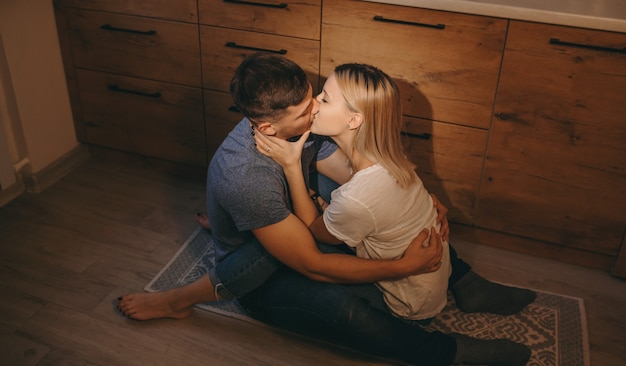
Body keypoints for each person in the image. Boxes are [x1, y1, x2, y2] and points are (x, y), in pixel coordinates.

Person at [118, 52, 535, 365]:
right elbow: (314, 263)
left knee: (381, 216)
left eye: (315, 97)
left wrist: (412, 196)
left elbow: (353, 174)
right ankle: (446, 353)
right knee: (342, 305)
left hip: (288, 221)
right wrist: (402, 267)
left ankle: (464, 281)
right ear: (267, 128)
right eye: (308, 108)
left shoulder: (293, 123)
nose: (316, 107)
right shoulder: (246, 174)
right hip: (261, 276)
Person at [253, 63, 453, 323]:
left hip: (405, 304)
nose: (313, 103)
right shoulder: (392, 158)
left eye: (325, 98)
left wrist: (291, 166)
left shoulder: (357, 198)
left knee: (279, 286)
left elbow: (313, 229)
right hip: (429, 286)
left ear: (354, 119)